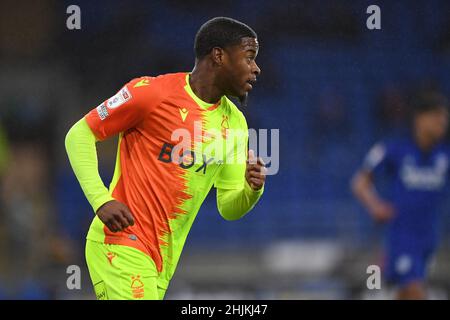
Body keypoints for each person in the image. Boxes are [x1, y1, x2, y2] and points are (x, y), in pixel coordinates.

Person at [65, 17, 266, 300]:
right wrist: (101, 200)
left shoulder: (235, 124)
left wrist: (252, 190)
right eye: (249, 57)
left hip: (161, 262)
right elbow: (79, 135)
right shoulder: (151, 93)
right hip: (121, 243)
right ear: (219, 56)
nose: (256, 68)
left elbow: (228, 207)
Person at [351, 92, 450, 299]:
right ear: (420, 118)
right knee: (415, 292)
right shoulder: (395, 149)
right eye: (438, 117)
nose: (443, 123)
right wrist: (375, 206)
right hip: (402, 239)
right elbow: (359, 183)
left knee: (405, 293)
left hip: (429, 239)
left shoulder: (443, 154)